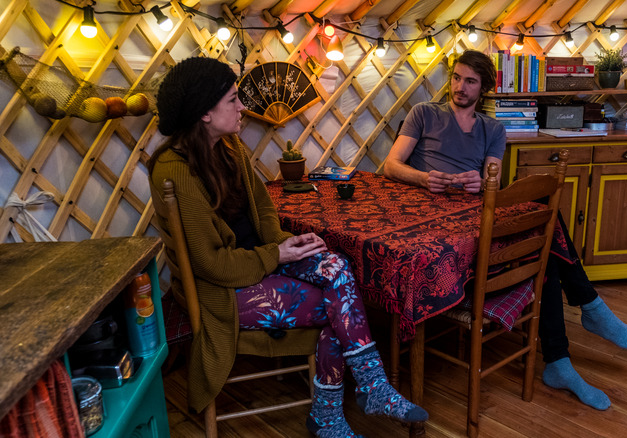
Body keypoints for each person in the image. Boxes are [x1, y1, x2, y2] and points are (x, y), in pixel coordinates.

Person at [149, 57, 427, 438]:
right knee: (339, 307)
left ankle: (368, 389)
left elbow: (264, 216)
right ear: (205, 113)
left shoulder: (231, 150)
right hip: (220, 290)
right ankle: (339, 410)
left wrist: (287, 242)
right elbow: (210, 264)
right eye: (233, 100)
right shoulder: (173, 169)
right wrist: (278, 255)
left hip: (260, 265)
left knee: (335, 265)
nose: (243, 107)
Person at [384, 50, 627, 411]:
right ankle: (583, 320)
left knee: (545, 232)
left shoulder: (493, 129)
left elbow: (491, 180)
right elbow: (391, 165)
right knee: (549, 249)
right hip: (428, 215)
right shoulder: (424, 113)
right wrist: (425, 177)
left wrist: (479, 183)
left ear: (485, 88)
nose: (460, 87)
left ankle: (566, 352)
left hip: (472, 213)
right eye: (456, 78)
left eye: (470, 81)